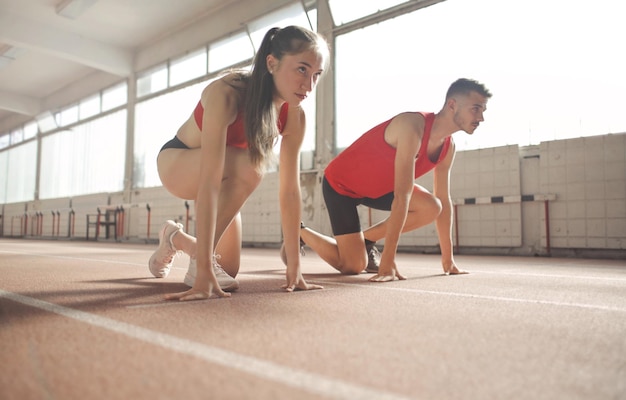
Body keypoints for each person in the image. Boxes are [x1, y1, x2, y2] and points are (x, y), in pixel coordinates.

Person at [149, 26, 329, 301]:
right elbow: (209, 182)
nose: (309, 85)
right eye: (302, 70)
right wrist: (203, 270)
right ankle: (201, 259)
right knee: (252, 166)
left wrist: (294, 267)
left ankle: (175, 237)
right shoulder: (228, 93)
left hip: (228, 173)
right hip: (178, 163)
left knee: (229, 270)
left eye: (317, 74)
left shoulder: (295, 116)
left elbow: (290, 192)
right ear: (272, 63)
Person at [291, 78, 492, 281]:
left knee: (433, 206)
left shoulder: (449, 148)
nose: (481, 117)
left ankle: (366, 240)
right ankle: (299, 231)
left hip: (381, 188)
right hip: (342, 185)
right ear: (452, 105)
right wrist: (387, 261)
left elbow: (444, 199)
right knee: (353, 266)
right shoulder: (412, 126)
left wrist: (448, 261)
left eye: (483, 110)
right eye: (476, 109)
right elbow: (402, 195)